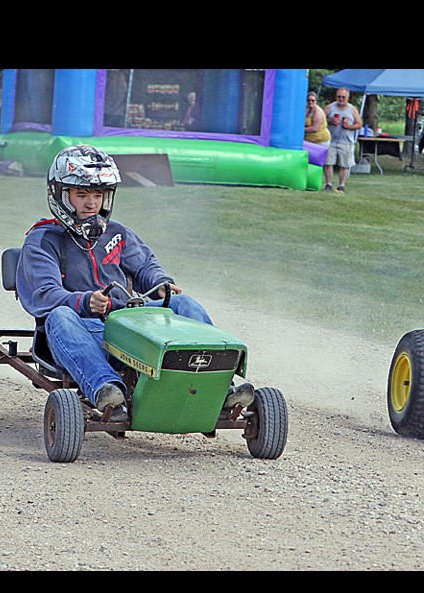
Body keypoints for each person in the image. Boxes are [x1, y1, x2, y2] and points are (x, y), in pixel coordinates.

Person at [16, 145, 251, 418]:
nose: (91, 203)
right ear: (61, 195)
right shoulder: (43, 239)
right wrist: (84, 301)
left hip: (126, 326)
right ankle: (107, 390)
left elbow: (145, 266)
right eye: (82, 195)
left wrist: (161, 282)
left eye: (98, 195)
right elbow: (43, 295)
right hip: (82, 330)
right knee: (59, 316)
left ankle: (220, 387)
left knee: (183, 303)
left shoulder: (116, 233)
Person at [322, 87, 362, 193]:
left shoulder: (352, 109)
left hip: (346, 141)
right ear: (336, 96)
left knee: (344, 164)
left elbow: (359, 124)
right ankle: (328, 184)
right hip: (331, 140)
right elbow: (321, 120)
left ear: (348, 98)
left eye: (343, 97)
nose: (341, 99)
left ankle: (341, 185)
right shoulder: (330, 107)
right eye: (339, 96)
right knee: (328, 163)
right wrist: (330, 121)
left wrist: (349, 126)